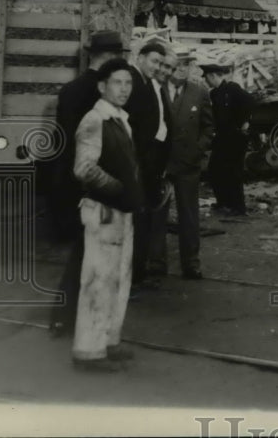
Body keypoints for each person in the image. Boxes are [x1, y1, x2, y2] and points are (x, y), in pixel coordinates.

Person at [48, 30, 127, 338]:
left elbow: (63, 140)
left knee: (84, 251)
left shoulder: (69, 90)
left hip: (70, 180)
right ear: (110, 57)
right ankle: (72, 319)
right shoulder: (103, 94)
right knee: (90, 254)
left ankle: (65, 318)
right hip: (94, 182)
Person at [71, 58, 144, 372]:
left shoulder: (120, 119)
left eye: (128, 83)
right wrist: (119, 189)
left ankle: (109, 340)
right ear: (102, 86)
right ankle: (89, 351)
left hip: (120, 212)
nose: (124, 89)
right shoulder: (95, 119)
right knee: (99, 281)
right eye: (118, 82)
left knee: (118, 280)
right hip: (102, 211)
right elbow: (84, 169)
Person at [160, 48, 215, 278]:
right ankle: (156, 262)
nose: (182, 69)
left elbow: (209, 127)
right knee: (157, 214)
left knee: (189, 215)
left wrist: (198, 149)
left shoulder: (199, 91)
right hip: (161, 164)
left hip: (187, 164)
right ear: (168, 67)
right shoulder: (156, 89)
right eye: (177, 65)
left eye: (186, 65)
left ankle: (191, 263)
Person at [124, 40, 171, 287]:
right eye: (154, 61)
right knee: (135, 222)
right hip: (136, 164)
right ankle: (133, 276)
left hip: (146, 164)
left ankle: (137, 274)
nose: (157, 67)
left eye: (161, 63)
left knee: (141, 221)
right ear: (139, 57)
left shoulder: (148, 83)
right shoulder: (132, 82)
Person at [201, 58, 256, 216]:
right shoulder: (214, 93)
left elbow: (250, 102)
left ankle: (238, 207)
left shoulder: (232, 88)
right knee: (215, 169)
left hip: (235, 137)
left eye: (206, 77)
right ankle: (223, 202)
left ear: (212, 76)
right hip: (222, 138)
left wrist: (245, 122)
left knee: (234, 172)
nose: (206, 81)